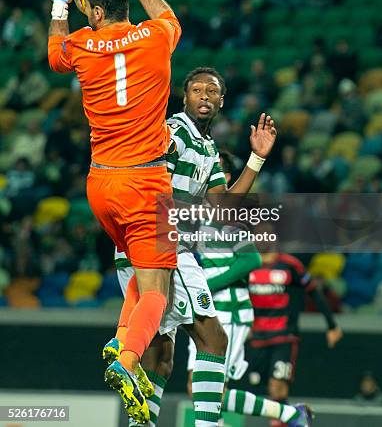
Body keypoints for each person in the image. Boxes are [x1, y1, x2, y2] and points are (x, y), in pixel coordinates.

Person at [106, 67, 313, 427]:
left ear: (221, 100)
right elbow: (145, 160)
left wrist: (257, 158)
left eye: (212, 91)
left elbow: (224, 208)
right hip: (162, 243)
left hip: (144, 247)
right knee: (212, 339)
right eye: (197, 90)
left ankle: (143, 422)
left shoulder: (207, 147)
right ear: (184, 98)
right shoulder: (172, 131)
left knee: (161, 354)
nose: (204, 95)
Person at [47, 0, 181, 424]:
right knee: (158, 289)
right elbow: (167, 15)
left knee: (136, 271)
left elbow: (53, 54)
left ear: (96, 13)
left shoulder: (82, 44)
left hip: (101, 184)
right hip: (145, 180)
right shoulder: (158, 37)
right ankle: (127, 363)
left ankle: (119, 339)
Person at [186, 151, 311, 426]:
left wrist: (205, 285)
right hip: (209, 309)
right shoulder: (201, 213)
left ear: (226, 177)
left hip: (228, 311)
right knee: (199, 388)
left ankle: (290, 414)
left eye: (213, 167)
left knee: (211, 388)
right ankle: (290, 414)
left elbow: (251, 259)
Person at [248, 248, 343, 427]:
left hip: (284, 336)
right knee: (261, 387)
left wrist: (331, 325)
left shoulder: (290, 265)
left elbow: (313, 291)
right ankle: (296, 417)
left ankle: (282, 422)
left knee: (277, 386)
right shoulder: (247, 263)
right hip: (257, 337)